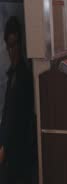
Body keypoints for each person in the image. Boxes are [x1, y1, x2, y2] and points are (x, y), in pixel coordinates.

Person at [0, 16, 36, 184]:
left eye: (14, 45)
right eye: (9, 45)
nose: (11, 51)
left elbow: (18, 117)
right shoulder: (13, 74)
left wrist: (5, 146)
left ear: (20, 44)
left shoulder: (24, 76)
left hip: (19, 150)